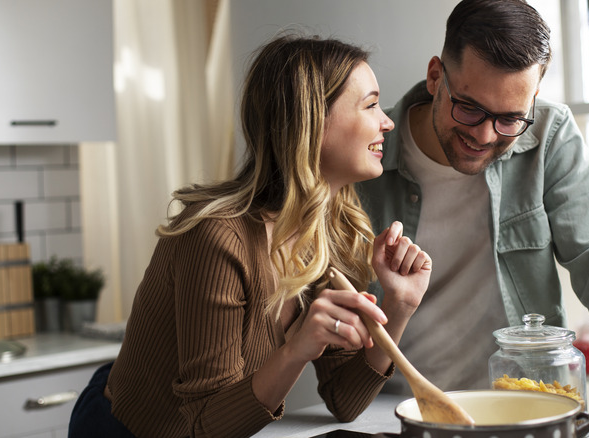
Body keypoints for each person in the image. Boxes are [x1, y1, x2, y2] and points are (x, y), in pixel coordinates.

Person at [69, 34, 432, 438]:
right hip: (123, 429)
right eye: (370, 105)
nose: (388, 121)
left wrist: (398, 306)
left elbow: (345, 401)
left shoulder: (335, 229)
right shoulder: (217, 237)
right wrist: (296, 349)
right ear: (311, 122)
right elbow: (206, 425)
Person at [356, 0, 589, 395]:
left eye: (510, 118)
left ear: (531, 101)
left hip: (525, 400)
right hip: (397, 408)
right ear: (435, 77)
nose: (484, 136)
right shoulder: (366, 153)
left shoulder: (550, 134)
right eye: (469, 108)